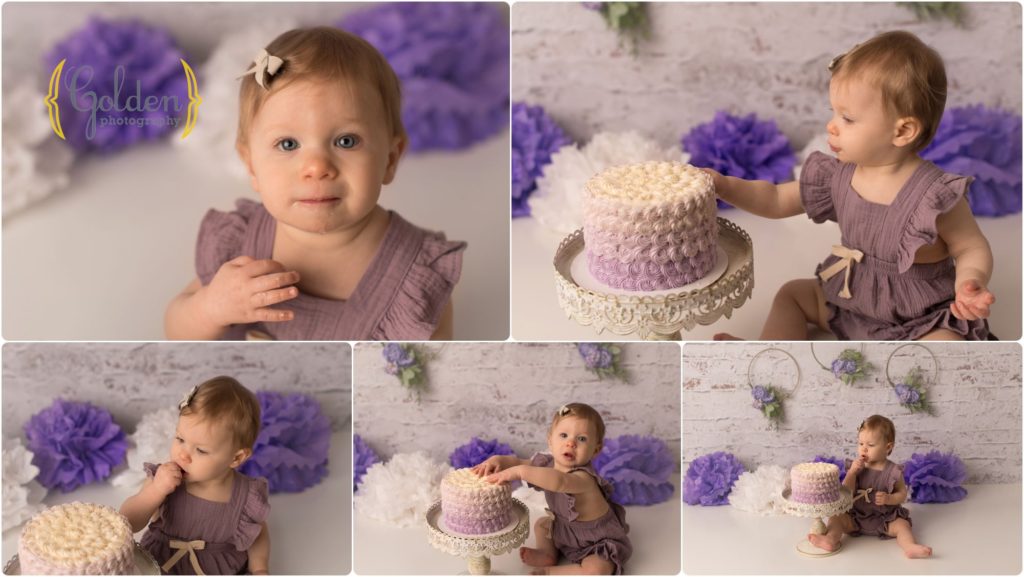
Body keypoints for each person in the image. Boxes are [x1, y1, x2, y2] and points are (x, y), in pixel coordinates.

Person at [166, 27, 465, 340]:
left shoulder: (416, 278)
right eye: (287, 144)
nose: (317, 167)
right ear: (251, 164)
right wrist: (209, 309)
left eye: (346, 141)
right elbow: (176, 331)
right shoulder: (239, 245)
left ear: (390, 159)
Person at [710, 30, 994, 341]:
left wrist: (971, 282)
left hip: (921, 318)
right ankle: (769, 355)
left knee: (946, 344)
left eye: (848, 118)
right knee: (792, 295)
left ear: (903, 131)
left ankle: (896, 374)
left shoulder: (934, 196)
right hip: (850, 301)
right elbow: (777, 199)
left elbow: (970, 247)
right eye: (833, 112)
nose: (831, 126)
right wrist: (725, 186)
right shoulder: (837, 176)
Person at [120, 377, 270, 574]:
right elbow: (126, 521)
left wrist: (259, 568)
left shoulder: (246, 496)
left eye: (201, 450)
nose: (183, 455)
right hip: (161, 562)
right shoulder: (162, 478)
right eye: (180, 439)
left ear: (236, 458)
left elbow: (257, 535)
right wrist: (156, 490)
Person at [475, 403, 631, 575]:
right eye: (563, 435)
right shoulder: (546, 463)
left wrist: (520, 473)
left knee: (597, 570)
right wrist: (498, 460)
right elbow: (519, 462)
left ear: (596, 449)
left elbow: (560, 481)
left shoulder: (584, 478)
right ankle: (547, 553)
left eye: (582, 439)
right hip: (565, 529)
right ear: (550, 440)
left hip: (596, 540)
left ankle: (550, 571)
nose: (570, 443)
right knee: (542, 524)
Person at [808, 415, 931, 558]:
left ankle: (910, 546)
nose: (864, 449)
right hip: (855, 517)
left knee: (903, 525)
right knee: (836, 517)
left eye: (871, 445)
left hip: (885, 518)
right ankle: (831, 539)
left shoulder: (893, 471)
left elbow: (902, 493)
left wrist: (889, 498)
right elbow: (846, 491)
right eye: (860, 444)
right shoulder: (855, 467)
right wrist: (852, 473)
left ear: (888, 447)